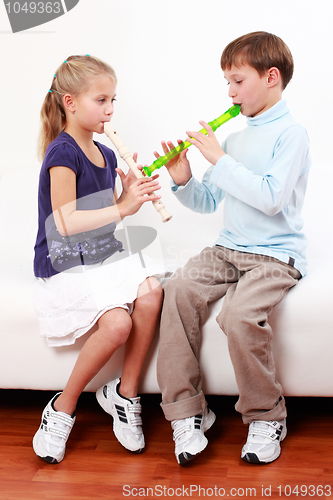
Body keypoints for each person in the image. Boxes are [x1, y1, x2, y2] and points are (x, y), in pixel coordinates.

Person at [155, 32, 311, 465]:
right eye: (227, 82)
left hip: (275, 256)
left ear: (271, 78)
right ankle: (188, 412)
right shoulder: (237, 139)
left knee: (239, 316)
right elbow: (208, 201)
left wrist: (219, 160)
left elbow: (271, 197)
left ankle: (266, 416)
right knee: (179, 290)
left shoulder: (292, 135)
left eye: (237, 81)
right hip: (228, 249)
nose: (230, 92)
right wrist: (184, 177)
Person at [32, 55, 167, 464]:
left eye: (113, 101)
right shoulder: (62, 152)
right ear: (70, 102)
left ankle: (125, 395)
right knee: (118, 324)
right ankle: (62, 408)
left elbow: (103, 211)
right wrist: (123, 208)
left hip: (99, 255)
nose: (110, 110)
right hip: (65, 260)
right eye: (101, 100)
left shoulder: (107, 154)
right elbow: (67, 221)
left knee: (151, 293)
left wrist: (128, 194)